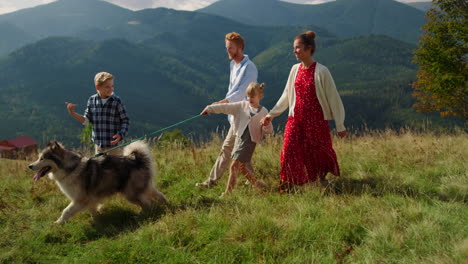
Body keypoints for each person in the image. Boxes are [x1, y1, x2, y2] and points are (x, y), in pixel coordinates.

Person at [261, 30, 346, 192]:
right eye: (294, 48)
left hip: (316, 120)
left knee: (316, 152)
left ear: (308, 49)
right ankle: (288, 183)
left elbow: (333, 98)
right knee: (288, 149)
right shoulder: (295, 69)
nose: (294, 51)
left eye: (298, 48)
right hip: (295, 119)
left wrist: (340, 125)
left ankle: (317, 181)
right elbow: (287, 94)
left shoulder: (322, 71)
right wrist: (271, 114)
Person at [196, 32, 258, 188]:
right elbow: (232, 90)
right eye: (227, 48)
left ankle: (213, 182)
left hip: (246, 116)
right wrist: (220, 104)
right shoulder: (233, 65)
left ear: (240, 47)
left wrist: (217, 105)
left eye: (231, 48)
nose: (228, 51)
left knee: (232, 149)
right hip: (236, 115)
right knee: (236, 150)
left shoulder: (250, 68)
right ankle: (253, 182)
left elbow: (241, 93)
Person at [201, 82, 273, 196]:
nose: (250, 99)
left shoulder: (263, 111)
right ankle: (257, 184)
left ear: (260, 96)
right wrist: (209, 108)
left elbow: (268, 130)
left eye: (253, 96)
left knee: (234, 166)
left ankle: (228, 193)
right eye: (248, 96)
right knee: (242, 168)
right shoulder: (241, 106)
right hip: (239, 139)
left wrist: (266, 124)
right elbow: (225, 107)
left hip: (250, 142)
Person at [65, 72, 129, 155]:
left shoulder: (116, 101)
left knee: (113, 168)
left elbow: (125, 120)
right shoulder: (92, 100)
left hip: (113, 147)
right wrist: (72, 113)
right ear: (98, 87)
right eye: (107, 87)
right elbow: (86, 121)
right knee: (99, 168)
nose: (111, 89)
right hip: (98, 146)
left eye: (112, 86)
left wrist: (121, 134)